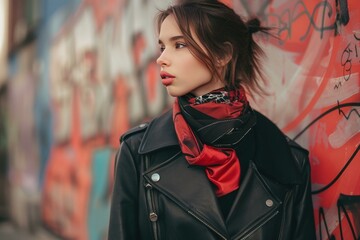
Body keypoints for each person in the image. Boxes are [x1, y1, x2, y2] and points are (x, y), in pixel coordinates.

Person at [108, 1, 316, 239]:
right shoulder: (138, 153)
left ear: (223, 55)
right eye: (162, 47)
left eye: (179, 45)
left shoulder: (288, 161)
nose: (161, 59)